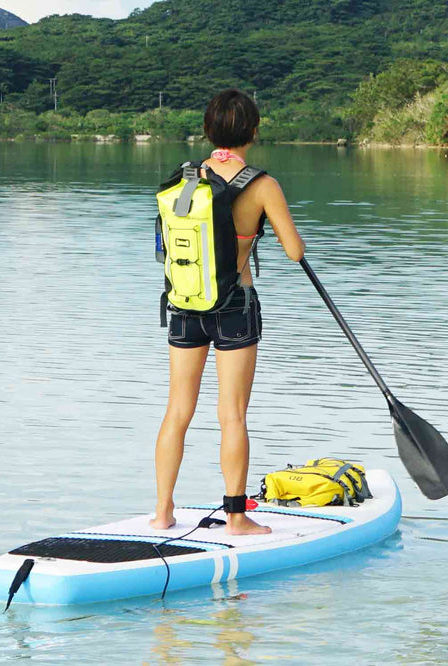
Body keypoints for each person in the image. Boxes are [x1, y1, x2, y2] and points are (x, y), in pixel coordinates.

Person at [151, 89, 305, 535]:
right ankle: (236, 517)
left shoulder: (185, 179)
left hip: (184, 303)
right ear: (253, 131)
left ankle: (162, 512)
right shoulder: (261, 185)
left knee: (177, 411)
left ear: (208, 130)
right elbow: (295, 251)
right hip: (235, 305)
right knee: (232, 414)